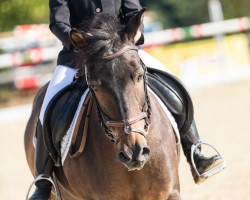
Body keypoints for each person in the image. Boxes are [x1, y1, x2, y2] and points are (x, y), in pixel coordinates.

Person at [29, 0, 225, 199]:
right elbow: (58, 23)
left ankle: (195, 151)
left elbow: (133, 12)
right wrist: (83, 41)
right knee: (48, 106)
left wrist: (133, 32)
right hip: (80, 54)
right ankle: (43, 181)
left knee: (174, 84)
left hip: (121, 49)